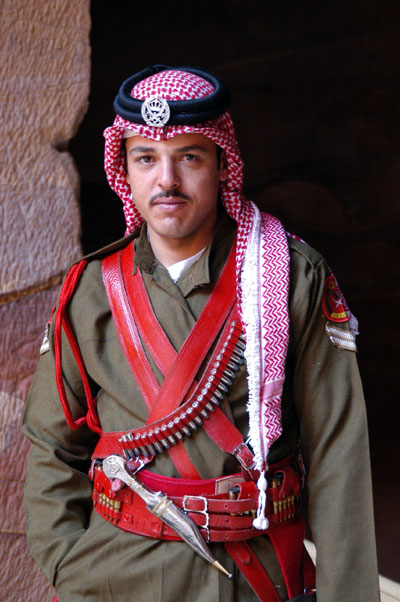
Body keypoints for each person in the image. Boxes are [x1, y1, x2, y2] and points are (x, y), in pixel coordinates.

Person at [22, 65, 380, 602]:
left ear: (221, 166)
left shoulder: (288, 275)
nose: (167, 180)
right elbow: (53, 441)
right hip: (115, 573)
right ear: (125, 170)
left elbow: (337, 452)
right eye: (146, 158)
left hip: (252, 574)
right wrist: (67, 561)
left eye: (189, 156)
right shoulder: (90, 291)